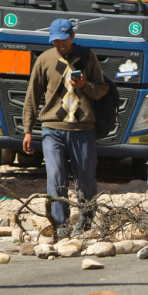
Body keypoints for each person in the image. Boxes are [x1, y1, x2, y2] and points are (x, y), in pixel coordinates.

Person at [23, 19, 109, 237]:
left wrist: (84, 86)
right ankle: (61, 224)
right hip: (52, 129)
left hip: (82, 129)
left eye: (63, 39)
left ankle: (86, 220)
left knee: (86, 179)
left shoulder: (88, 57)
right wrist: (27, 129)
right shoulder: (45, 60)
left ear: (72, 37)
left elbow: (102, 89)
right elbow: (32, 97)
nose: (60, 44)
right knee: (55, 177)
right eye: (55, 40)